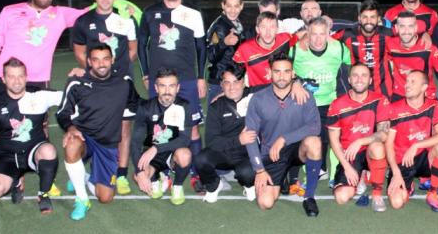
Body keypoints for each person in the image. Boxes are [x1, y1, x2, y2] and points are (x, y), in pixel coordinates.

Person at [138, 0, 206, 192]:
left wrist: (200, 77)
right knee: (160, 128)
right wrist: (146, 73)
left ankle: (197, 174)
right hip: (159, 82)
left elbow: (200, 48)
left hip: (186, 81)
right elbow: (141, 45)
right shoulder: (150, 13)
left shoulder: (193, 14)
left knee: (193, 129)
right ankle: (163, 171)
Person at [56, 44, 139, 220]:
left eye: (105, 59)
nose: (101, 64)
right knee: (71, 144)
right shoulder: (77, 82)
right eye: (96, 59)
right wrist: (70, 128)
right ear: (88, 62)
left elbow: (136, 106)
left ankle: (84, 177)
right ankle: (82, 199)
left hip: (107, 144)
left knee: (105, 197)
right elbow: (62, 113)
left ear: (112, 60)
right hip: (84, 138)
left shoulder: (124, 82)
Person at [71, 0, 138, 195]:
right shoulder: (83, 22)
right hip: (95, 84)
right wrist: (95, 72)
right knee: (93, 126)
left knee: (124, 129)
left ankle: (120, 174)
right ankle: (81, 170)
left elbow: (132, 52)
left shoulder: (126, 21)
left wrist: (116, 72)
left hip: (122, 83)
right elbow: (80, 52)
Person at [0, 58, 63, 214]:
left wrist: (78, 78)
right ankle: (16, 180)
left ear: (26, 76)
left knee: (49, 151)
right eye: (11, 76)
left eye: (20, 76)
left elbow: (71, 95)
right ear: (3, 79)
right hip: (7, 156)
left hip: (33, 152)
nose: (17, 81)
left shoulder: (39, 95)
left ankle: (43, 194)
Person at [241, 54, 323, 216]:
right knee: (265, 203)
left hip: (297, 149)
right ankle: (284, 178)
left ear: (293, 74)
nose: (282, 76)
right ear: (269, 73)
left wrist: (284, 139)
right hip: (272, 154)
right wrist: (259, 170)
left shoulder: (305, 96)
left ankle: (309, 197)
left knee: (314, 142)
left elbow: (315, 127)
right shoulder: (258, 99)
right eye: (277, 71)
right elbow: (250, 136)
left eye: (286, 71)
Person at [291, 17, 351, 184]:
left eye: (322, 34)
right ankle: (308, 172)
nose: (317, 39)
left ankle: (334, 176)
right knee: (308, 140)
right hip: (304, 104)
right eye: (313, 34)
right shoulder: (296, 50)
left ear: (328, 34)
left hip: (330, 102)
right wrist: (294, 82)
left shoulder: (338, 48)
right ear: (307, 34)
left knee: (332, 139)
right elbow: (282, 68)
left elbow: (354, 66)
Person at [327, 63, 390, 212]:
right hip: (350, 155)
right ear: (349, 79)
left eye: (364, 75)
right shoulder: (337, 105)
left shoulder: (380, 100)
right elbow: (334, 141)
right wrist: (348, 167)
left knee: (377, 146)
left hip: (371, 151)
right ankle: (362, 176)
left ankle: (376, 194)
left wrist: (361, 141)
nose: (359, 79)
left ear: (370, 80)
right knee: (341, 197)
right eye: (355, 75)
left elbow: (383, 133)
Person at [386, 71, 438, 212]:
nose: (407, 85)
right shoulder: (394, 108)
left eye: (413, 82)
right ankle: (409, 186)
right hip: (402, 160)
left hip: (423, 156)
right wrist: (395, 172)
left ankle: (432, 192)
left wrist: (416, 145)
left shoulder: (434, 106)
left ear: (424, 87)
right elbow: (388, 144)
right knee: (397, 202)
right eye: (407, 81)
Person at [193, 66, 256, 203]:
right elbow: (211, 142)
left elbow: (276, 86)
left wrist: (297, 83)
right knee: (201, 160)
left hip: (245, 154)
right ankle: (214, 185)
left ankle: (249, 185)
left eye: (235, 82)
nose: (231, 87)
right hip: (223, 153)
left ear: (243, 83)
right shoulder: (216, 106)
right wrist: (238, 140)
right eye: (227, 82)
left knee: (247, 173)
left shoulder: (254, 96)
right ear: (221, 85)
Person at [130, 68, 193, 205]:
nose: (167, 91)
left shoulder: (184, 107)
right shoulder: (145, 108)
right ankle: (156, 178)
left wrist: (156, 148)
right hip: (151, 156)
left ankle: (177, 186)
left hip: (173, 153)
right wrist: (140, 171)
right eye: (162, 86)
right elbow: (135, 142)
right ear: (156, 88)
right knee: (138, 175)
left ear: (178, 88)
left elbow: (185, 139)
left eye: (171, 86)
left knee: (185, 155)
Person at [333, 0, 394, 98]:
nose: (368, 21)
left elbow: (409, 33)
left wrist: (426, 35)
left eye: (372, 17)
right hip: (357, 91)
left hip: (383, 93)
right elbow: (322, 38)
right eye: (365, 17)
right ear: (359, 18)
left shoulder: (388, 33)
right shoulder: (347, 35)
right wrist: (303, 36)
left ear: (379, 19)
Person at [386, 11, 438, 102]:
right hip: (399, 95)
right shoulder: (389, 44)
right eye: (402, 26)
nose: (406, 31)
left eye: (410, 26)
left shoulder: (429, 47)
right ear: (396, 28)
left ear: (416, 28)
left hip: (425, 96)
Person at [206, 0, 253, 103]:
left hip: (233, 78)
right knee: (217, 117)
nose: (233, 10)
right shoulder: (219, 26)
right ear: (223, 6)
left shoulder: (236, 22)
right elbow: (210, 56)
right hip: (220, 81)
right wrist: (224, 43)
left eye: (236, 6)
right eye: (229, 6)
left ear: (241, 6)